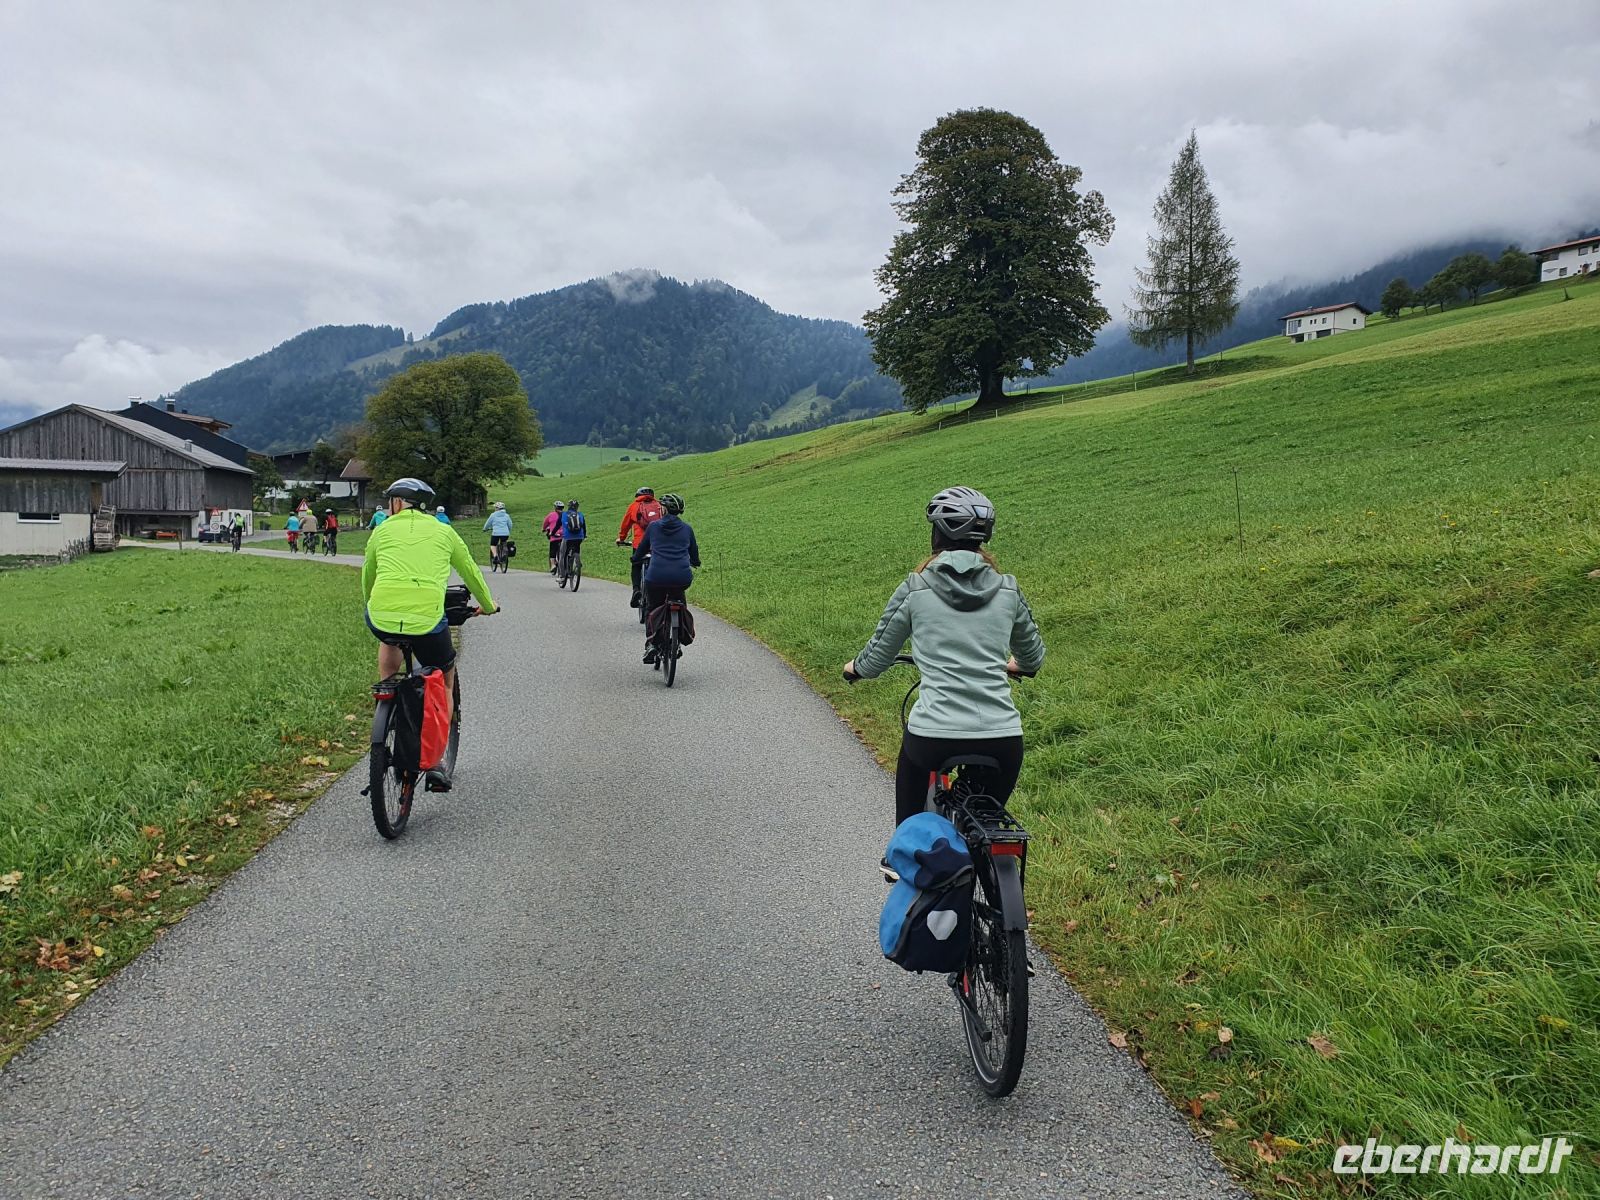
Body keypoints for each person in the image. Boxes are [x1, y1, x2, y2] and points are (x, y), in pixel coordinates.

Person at [843, 487, 1045, 830]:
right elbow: (1033, 657)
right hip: (1002, 739)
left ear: (937, 534)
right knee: (982, 825)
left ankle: (903, 861)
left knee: (909, 825)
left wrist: (855, 669)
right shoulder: (1008, 590)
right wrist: (1017, 665)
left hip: (933, 737)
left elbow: (877, 657)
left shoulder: (915, 588)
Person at [362, 478, 498, 785]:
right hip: (426, 619)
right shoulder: (444, 531)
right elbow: (470, 571)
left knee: (389, 639)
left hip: (381, 615)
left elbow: (368, 574)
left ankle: (386, 698)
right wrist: (487, 604)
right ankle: (435, 761)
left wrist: (371, 604)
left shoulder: (381, 530)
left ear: (398, 503)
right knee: (444, 677)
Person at [633, 493, 699, 664]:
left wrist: (635, 559)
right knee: (680, 601)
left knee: (652, 606)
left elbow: (642, 549)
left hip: (656, 576)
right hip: (681, 577)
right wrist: (696, 562)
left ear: (663, 509)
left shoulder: (653, 527)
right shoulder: (687, 529)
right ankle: (678, 640)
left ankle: (652, 644)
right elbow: (694, 553)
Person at [616, 486, 665, 608]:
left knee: (636, 565)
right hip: (657, 543)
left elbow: (625, 525)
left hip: (640, 544)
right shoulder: (659, 506)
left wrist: (621, 538)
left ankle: (636, 590)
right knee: (659, 564)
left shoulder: (634, 506)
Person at [558, 499, 587, 579]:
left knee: (563, 554)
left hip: (567, 537)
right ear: (577, 507)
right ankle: (577, 561)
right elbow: (584, 527)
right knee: (576, 549)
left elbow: (557, 525)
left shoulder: (563, 514)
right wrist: (584, 536)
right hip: (579, 537)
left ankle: (562, 576)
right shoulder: (580, 514)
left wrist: (552, 533)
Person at [483, 501, 513, 567]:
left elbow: (488, 523)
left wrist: (485, 529)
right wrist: (508, 531)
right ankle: (504, 554)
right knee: (504, 542)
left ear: (497, 508)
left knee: (493, 544)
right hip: (505, 533)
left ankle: (495, 556)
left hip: (496, 533)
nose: (495, 509)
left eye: (495, 507)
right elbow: (510, 524)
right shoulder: (506, 515)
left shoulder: (493, 515)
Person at [542, 501, 565, 574]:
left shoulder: (551, 515)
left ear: (555, 507)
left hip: (554, 536)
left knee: (552, 551)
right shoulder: (565, 515)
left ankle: (553, 565)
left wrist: (544, 529)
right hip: (563, 536)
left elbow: (545, 523)